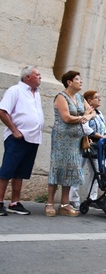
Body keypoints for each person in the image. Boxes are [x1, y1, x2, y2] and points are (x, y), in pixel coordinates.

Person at [46, 70, 96, 217]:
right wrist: (83, 117)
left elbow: (92, 112)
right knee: (57, 168)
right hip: (62, 139)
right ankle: (49, 203)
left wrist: (87, 116)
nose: (80, 82)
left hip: (75, 140)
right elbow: (66, 118)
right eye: (77, 79)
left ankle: (64, 204)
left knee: (71, 169)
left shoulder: (80, 98)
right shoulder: (61, 97)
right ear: (69, 82)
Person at [0, 66, 45, 216]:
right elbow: (2, 111)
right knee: (7, 171)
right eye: (37, 75)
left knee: (21, 172)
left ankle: (14, 202)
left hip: (33, 139)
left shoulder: (36, 94)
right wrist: (14, 130)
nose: (40, 77)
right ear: (28, 77)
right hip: (17, 138)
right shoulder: (15, 90)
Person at [70, 90, 106, 209]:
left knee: (97, 172)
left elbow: (103, 127)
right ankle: (73, 199)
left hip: (97, 146)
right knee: (79, 170)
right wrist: (101, 136)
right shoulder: (85, 112)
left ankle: (92, 198)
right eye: (96, 97)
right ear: (89, 100)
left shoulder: (99, 113)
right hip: (86, 143)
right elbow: (85, 128)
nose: (99, 99)